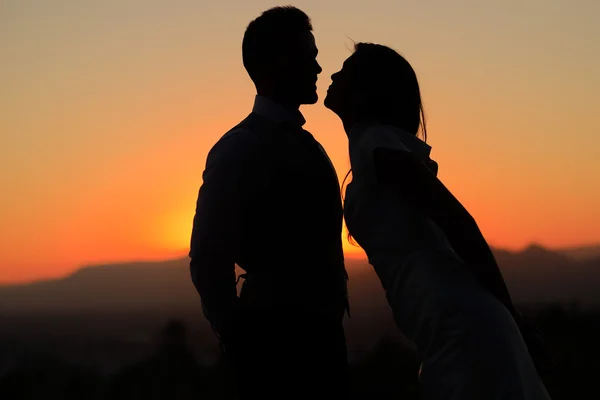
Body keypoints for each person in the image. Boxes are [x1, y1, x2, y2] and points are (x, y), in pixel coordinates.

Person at [325, 42, 552, 399]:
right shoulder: (373, 150)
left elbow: (457, 221)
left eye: (345, 70)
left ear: (365, 93)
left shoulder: (376, 143)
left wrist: (513, 318)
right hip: (445, 323)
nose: (333, 74)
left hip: (458, 323)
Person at [189, 6, 349, 399]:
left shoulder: (310, 145)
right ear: (272, 64)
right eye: (307, 56)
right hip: (273, 354)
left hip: (323, 344)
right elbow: (208, 256)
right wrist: (240, 338)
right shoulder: (240, 148)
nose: (317, 67)